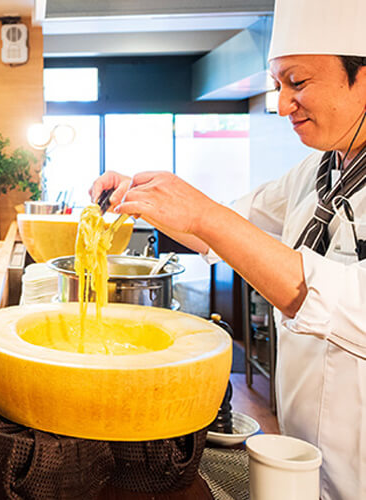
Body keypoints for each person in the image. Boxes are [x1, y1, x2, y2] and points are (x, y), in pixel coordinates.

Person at [92, 0, 365, 497]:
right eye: (278, 85)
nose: (282, 105)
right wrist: (142, 196)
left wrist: (205, 214)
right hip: (303, 452)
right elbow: (228, 228)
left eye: (298, 83)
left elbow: (349, 300)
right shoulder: (321, 168)